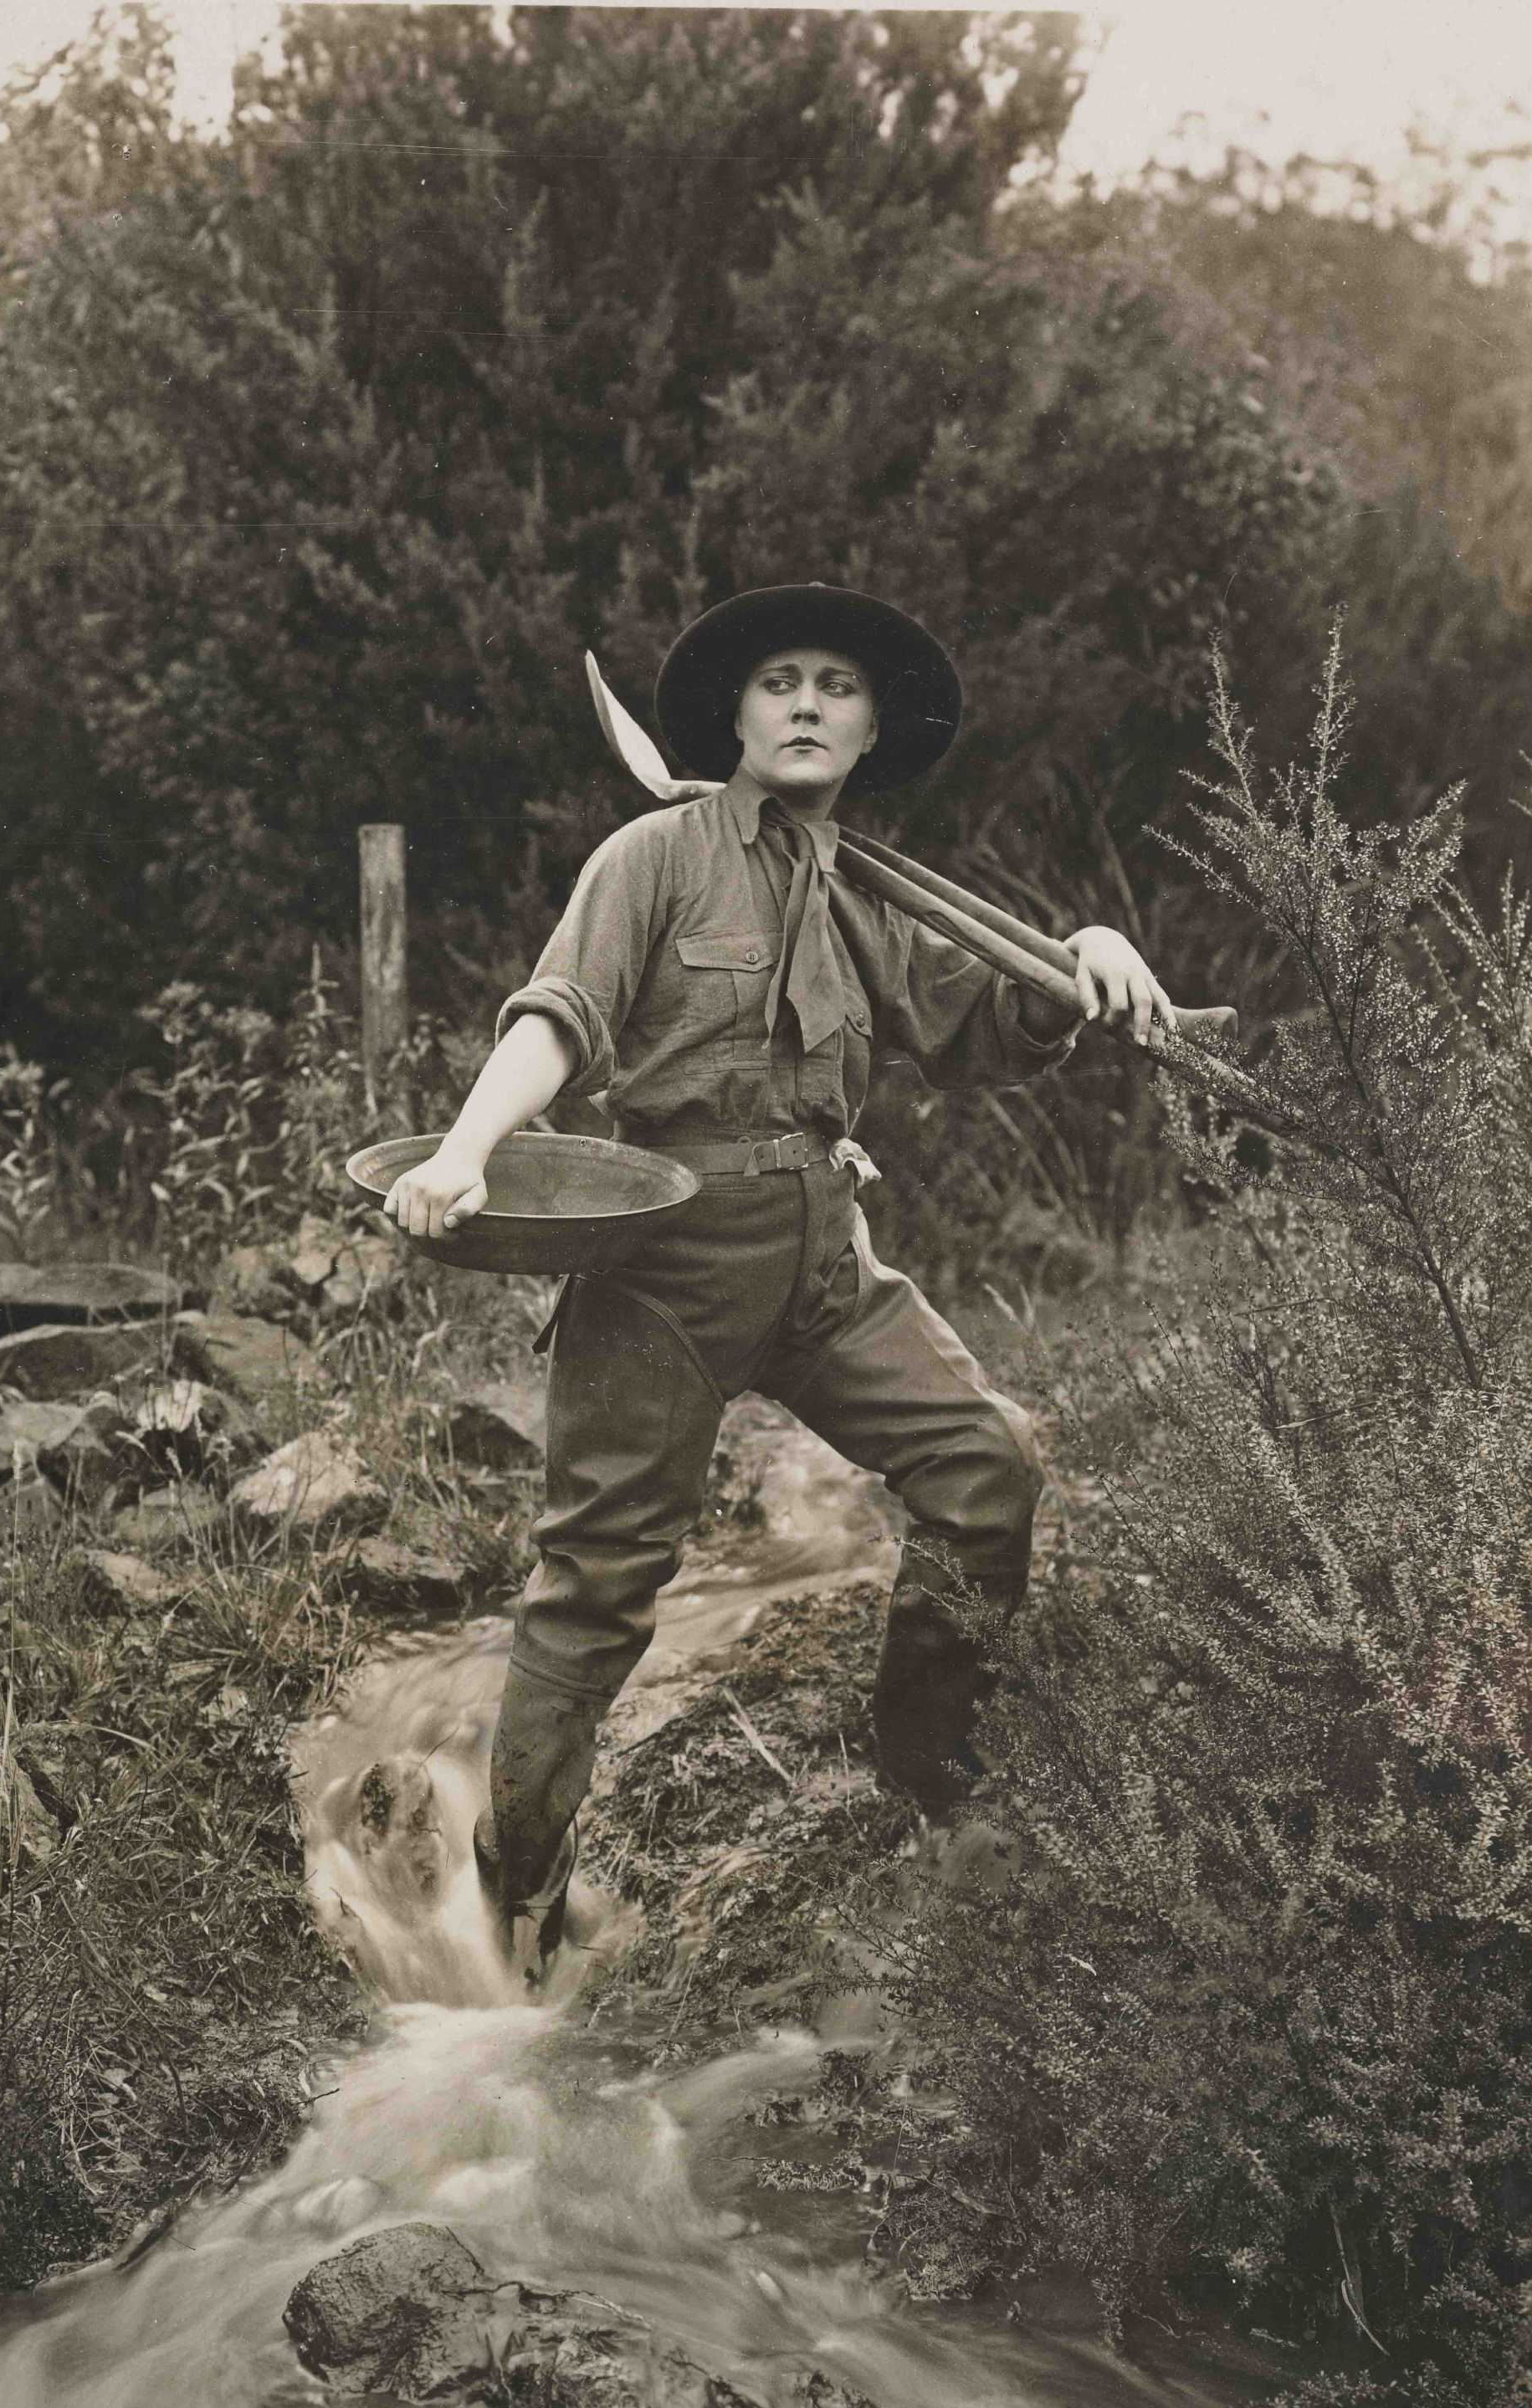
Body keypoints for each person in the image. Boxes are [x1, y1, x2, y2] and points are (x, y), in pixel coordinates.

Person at [386, 584, 1172, 1985]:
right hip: (663, 1258)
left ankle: (934, 1798)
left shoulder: (858, 887)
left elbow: (987, 1014)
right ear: (736, 719)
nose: (808, 704)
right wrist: (464, 1148)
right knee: (597, 1585)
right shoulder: (655, 854)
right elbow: (558, 1018)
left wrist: (1091, 957)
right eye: (779, 683)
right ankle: (512, 1905)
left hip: (821, 1249)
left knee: (982, 1465)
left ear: (872, 730)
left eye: (838, 687)